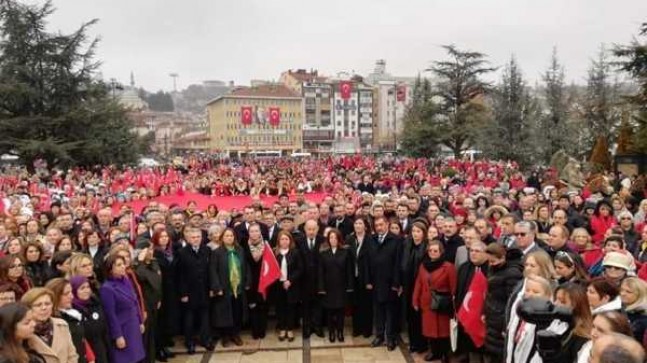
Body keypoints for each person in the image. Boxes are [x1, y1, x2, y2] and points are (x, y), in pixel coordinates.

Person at [412, 239, 457, 362]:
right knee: (429, 330)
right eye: (430, 250)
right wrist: (415, 300)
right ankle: (434, 351)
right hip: (426, 303)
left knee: (442, 331)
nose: (432, 253)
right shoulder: (423, 265)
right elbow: (419, 284)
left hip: (441, 303)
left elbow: (453, 288)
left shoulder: (448, 267)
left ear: (441, 252)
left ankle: (444, 353)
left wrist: (453, 305)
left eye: (435, 251)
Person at [99, 254, 145, 363]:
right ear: (110, 269)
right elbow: (110, 314)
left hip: (133, 325)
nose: (123, 267)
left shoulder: (126, 280)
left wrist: (140, 321)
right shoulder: (107, 288)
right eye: (119, 265)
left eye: (123, 264)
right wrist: (118, 335)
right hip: (123, 329)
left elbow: (135, 301)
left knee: (137, 358)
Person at [483, 243, 523, 362]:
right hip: (493, 314)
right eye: (488, 261)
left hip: (501, 318)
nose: (490, 264)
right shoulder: (495, 267)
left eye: (493, 261)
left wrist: (505, 325)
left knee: (500, 353)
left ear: (502, 257)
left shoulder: (513, 273)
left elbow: (512, 302)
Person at [209, 227, 250, 347]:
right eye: (226, 236)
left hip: (238, 287)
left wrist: (247, 281)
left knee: (237, 312)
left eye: (231, 236)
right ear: (222, 238)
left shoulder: (240, 250)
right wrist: (217, 287)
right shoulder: (217, 252)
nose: (229, 238)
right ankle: (225, 336)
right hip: (225, 288)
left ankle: (235, 334)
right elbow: (213, 271)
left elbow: (246, 267)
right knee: (225, 313)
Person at [176, 227, 214, 353]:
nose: (196, 239)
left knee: (205, 317)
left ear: (201, 238)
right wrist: (183, 293)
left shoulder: (207, 250)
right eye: (193, 237)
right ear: (188, 239)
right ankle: (190, 342)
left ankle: (205, 340)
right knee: (189, 319)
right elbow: (180, 275)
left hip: (204, 290)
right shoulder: (182, 252)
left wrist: (212, 288)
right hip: (189, 292)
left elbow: (210, 271)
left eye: (198, 237)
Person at [368, 216, 403, 351]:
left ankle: (391, 338)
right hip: (375, 283)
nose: (379, 227)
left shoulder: (396, 240)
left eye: (381, 224)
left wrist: (396, 283)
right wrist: (369, 281)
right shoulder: (371, 239)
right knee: (378, 311)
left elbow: (398, 263)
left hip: (390, 283)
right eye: (376, 225)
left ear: (387, 224)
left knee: (390, 312)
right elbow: (368, 262)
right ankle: (379, 335)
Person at [21, 287, 79, 363]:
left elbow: (72, 355)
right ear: (28, 308)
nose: (44, 308)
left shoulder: (62, 325)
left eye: (47, 304)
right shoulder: (24, 331)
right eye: (38, 305)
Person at [454, 241, 489, 363]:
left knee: (483, 348)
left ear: (486, 254)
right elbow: (459, 290)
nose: (473, 253)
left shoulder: (490, 269)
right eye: (471, 250)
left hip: (483, 316)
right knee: (469, 343)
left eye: (477, 251)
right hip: (466, 313)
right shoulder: (464, 267)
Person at [318, 228, 353, 343]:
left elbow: (349, 271)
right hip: (328, 287)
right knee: (329, 311)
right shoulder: (323, 253)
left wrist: (349, 286)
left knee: (340, 312)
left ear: (339, 239)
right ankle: (331, 332)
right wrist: (321, 288)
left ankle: (340, 332)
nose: (333, 240)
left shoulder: (345, 252)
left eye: (335, 237)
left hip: (341, 287)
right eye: (331, 237)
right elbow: (321, 272)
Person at [44, 278, 87, 363]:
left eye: (71, 292)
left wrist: (90, 357)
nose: (71, 296)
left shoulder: (74, 314)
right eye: (66, 293)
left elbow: (82, 339)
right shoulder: (54, 321)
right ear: (55, 296)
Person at [401, 220, 428, 353]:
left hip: (421, 287)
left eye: (418, 231)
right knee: (411, 316)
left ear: (424, 233)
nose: (416, 234)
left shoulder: (426, 247)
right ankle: (413, 342)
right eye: (413, 231)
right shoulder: (407, 244)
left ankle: (421, 344)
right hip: (408, 285)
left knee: (420, 316)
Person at [133, 241, 162, 363]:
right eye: (148, 250)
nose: (151, 252)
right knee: (145, 336)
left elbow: (157, 282)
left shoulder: (154, 263)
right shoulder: (137, 267)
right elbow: (145, 277)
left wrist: (159, 297)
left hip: (154, 302)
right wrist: (140, 263)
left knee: (152, 334)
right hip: (144, 305)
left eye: (151, 249)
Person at [150, 230, 177, 360]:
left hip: (171, 290)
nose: (164, 239)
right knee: (159, 321)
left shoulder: (171, 251)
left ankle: (165, 344)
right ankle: (159, 349)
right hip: (160, 290)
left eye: (166, 236)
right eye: (161, 237)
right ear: (156, 239)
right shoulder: (154, 253)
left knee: (167, 319)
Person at [70, 275, 110, 363]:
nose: (86, 290)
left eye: (88, 287)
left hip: (101, 348)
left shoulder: (95, 303)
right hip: (86, 354)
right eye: (82, 288)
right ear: (73, 291)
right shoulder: (73, 312)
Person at [296, 219, 325, 338]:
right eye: (309, 229)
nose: (311, 232)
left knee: (318, 305)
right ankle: (307, 328)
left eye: (314, 229)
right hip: (304, 280)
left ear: (317, 229)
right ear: (305, 229)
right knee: (306, 306)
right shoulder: (298, 241)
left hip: (319, 279)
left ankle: (317, 327)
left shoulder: (323, 241)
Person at [273, 230, 302, 342]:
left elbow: (300, 269)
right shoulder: (274, 252)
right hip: (278, 285)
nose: (284, 241)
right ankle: (282, 328)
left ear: (290, 241)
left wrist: (290, 280)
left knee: (291, 307)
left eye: (286, 239)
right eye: (282, 239)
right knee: (280, 308)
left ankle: (290, 329)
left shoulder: (295, 252)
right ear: (278, 241)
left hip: (291, 285)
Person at [347, 217, 373, 338]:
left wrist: (370, 280)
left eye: (360, 223)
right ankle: (356, 328)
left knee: (366, 304)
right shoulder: (350, 239)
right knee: (355, 304)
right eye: (356, 223)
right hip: (353, 276)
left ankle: (366, 329)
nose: (357, 225)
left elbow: (373, 261)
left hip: (366, 277)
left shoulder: (371, 240)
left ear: (365, 226)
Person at [244, 223, 270, 339]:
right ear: (248, 233)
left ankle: (262, 329)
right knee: (253, 305)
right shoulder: (243, 245)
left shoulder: (266, 245)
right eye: (252, 231)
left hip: (264, 280)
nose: (254, 233)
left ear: (260, 232)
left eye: (256, 231)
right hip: (250, 280)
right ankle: (255, 330)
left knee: (263, 306)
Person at [619, 277, 647, 343]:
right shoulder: (618, 309)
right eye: (621, 290)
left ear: (640, 295)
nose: (622, 293)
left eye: (628, 292)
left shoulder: (643, 319)